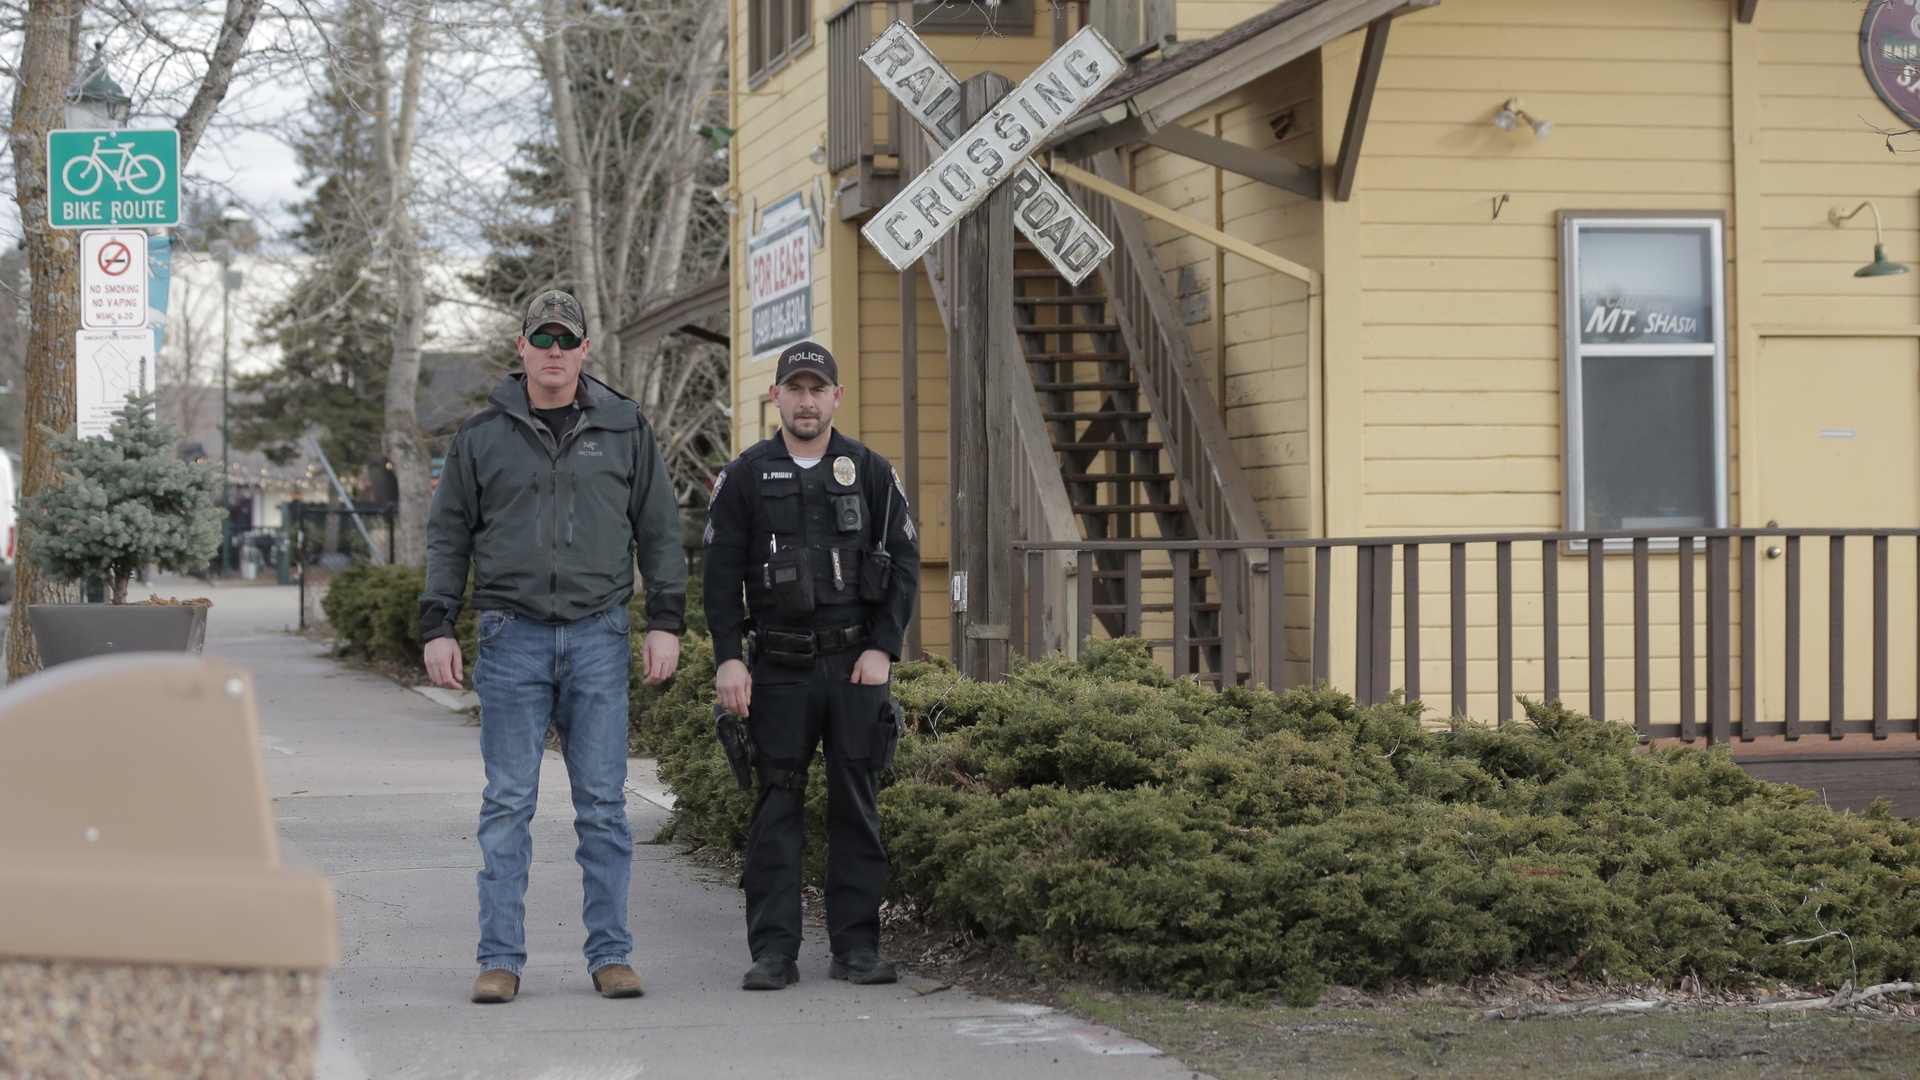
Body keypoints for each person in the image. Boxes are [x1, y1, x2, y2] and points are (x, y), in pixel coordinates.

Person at [421, 289, 686, 1005]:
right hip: (511, 637)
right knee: (508, 803)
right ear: (522, 347)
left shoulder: (625, 427)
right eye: (542, 338)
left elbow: (660, 530)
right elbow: (448, 536)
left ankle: (611, 955)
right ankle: (499, 960)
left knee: (602, 805)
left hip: (600, 634)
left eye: (567, 339)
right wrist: (438, 624)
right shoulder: (480, 435)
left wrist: (666, 620)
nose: (554, 351)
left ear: (585, 349)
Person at [703, 340, 921, 991]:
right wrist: (728, 660)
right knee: (776, 808)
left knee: (857, 806)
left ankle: (856, 948)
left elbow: (904, 564)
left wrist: (883, 647)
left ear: (836, 397)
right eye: (794, 389)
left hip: (856, 664)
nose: (806, 401)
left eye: (817, 389)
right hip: (778, 666)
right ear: (776, 396)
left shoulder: (870, 470)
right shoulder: (745, 476)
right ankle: (774, 951)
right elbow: (720, 578)